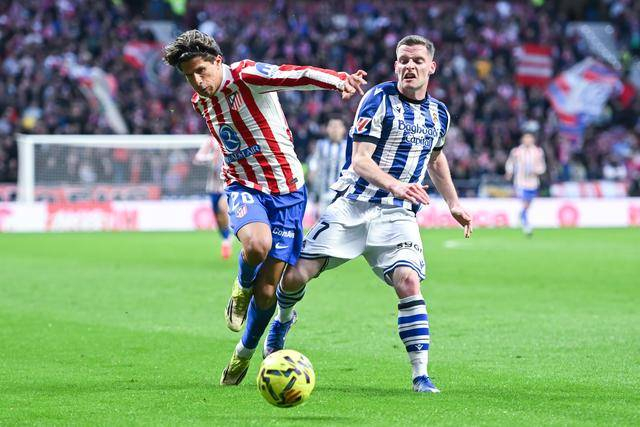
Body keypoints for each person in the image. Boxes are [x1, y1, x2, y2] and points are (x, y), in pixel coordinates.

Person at [264, 35, 472, 393]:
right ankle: (283, 321)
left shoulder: (440, 113)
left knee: (409, 282)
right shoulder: (377, 99)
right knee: (296, 276)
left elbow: (436, 159)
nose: (410, 66)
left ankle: (421, 375)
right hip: (353, 205)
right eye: (403, 60)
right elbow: (360, 160)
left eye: (417, 60)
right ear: (395, 65)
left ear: (431, 67)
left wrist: (453, 203)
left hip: (397, 215)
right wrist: (396, 185)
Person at [162, 29, 367, 385]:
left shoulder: (246, 75)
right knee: (257, 245)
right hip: (243, 185)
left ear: (217, 62)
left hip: (287, 191)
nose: (197, 82)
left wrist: (339, 81)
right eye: (189, 76)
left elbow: (294, 74)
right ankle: (241, 287)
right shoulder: (201, 102)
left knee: (269, 289)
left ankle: (243, 353)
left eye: (201, 71)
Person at [192, 137, 233, 259]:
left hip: (227, 185)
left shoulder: (232, 138)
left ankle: (228, 239)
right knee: (218, 217)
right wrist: (211, 158)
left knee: (222, 207)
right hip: (213, 187)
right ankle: (226, 238)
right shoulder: (210, 142)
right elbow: (198, 158)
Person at [505, 124, 546, 236]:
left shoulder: (538, 151)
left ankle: (522, 215)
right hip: (520, 182)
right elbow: (510, 163)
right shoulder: (517, 151)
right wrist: (509, 172)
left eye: (530, 138)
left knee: (528, 204)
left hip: (533, 182)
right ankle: (526, 224)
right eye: (526, 138)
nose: (528, 140)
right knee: (524, 202)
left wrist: (538, 171)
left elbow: (541, 166)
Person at [306, 118, 348, 216]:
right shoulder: (321, 145)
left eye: (338, 126)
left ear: (343, 129)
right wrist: (312, 172)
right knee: (322, 220)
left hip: (342, 194)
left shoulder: (348, 146)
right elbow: (314, 161)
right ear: (327, 129)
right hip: (323, 192)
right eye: (332, 126)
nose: (335, 129)